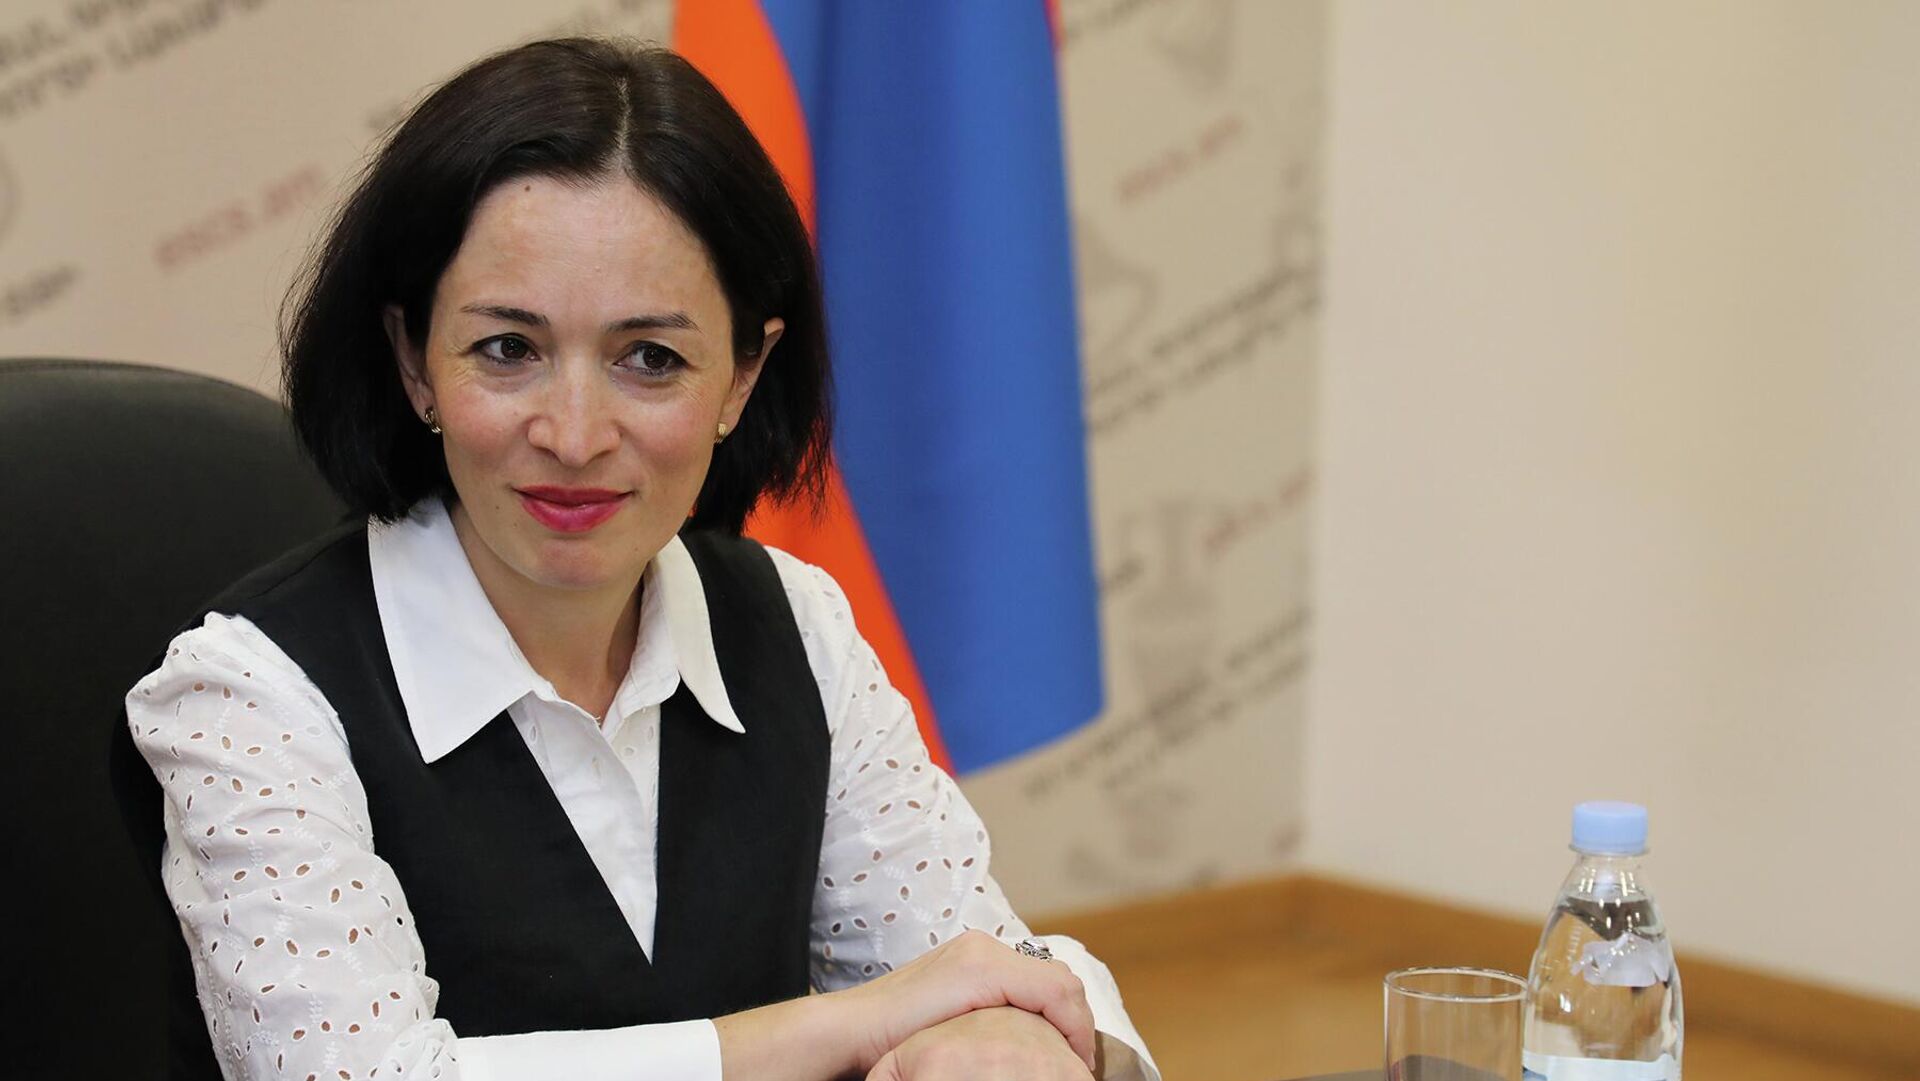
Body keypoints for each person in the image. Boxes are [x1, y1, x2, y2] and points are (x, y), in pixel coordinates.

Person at [121, 37, 1157, 1081]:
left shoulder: (796, 626)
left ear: (742, 376)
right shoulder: (243, 693)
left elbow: (981, 963)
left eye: (650, 359)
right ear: (413, 359)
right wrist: (854, 1025)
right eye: (508, 349)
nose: (574, 435)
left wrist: (1029, 1037)